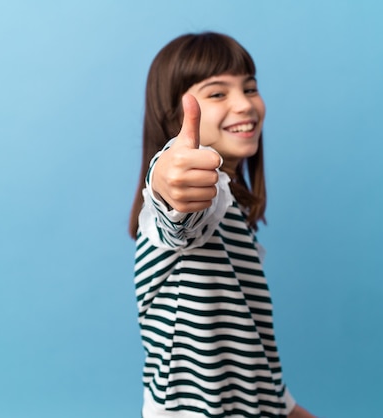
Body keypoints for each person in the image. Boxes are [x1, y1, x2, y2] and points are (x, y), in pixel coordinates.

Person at [129, 32, 316, 418]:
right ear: (173, 115)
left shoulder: (230, 213)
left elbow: (248, 350)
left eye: (250, 88)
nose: (244, 104)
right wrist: (170, 178)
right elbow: (174, 213)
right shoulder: (201, 200)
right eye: (217, 93)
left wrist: (288, 408)